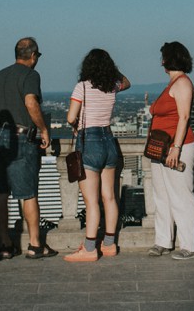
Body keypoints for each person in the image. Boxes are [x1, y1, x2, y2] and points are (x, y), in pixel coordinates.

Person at [0, 36, 54, 260]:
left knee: (1, 193)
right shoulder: (31, 75)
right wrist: (44, 130)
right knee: (28, 193)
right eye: (38, 55)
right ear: (33, 55)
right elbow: (31, 103)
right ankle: (35, 245)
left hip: (1, 137)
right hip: (23, 137)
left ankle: (5, 244)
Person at [63, 48, 131, 262]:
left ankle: (90, 247)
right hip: (109, 141)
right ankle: (109, 244)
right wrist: (113, 72)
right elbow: (126, 81)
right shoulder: (112, 86)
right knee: (109, 197)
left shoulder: (81, 87)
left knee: (91, 201)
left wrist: (76, 124)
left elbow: (70, 117)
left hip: (89, 142)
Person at [147, 41, 194, 260]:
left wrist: (176, 148)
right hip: (160, 148)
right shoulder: (172, 84)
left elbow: (184, 117)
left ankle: (191, 245)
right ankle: (163, 240)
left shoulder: (182, 84)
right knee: (161, 196)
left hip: (177, 147)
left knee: (181, 196)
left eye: (162, 57)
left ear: (167, 60)